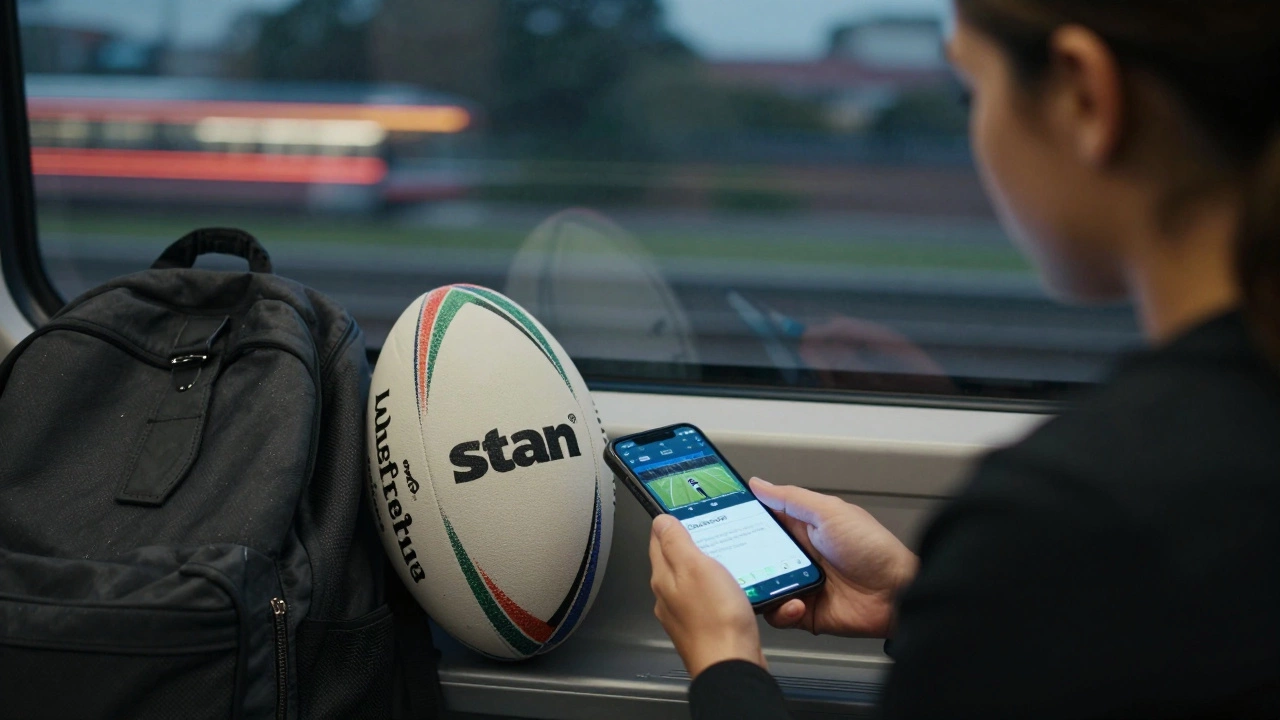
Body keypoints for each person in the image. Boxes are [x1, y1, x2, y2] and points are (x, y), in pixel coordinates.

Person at [647, 1, 1280, 718]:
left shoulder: (1072, 512)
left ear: (1085, 97)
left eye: (969, 91)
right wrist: (925, 602)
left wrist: (724, 664)